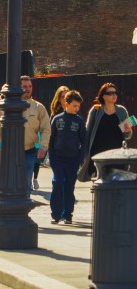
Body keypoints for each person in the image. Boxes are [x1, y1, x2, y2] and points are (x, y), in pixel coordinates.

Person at [0, 75, 51, 196]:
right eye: (24, 86)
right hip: (10, 152)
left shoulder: (38, 107)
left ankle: (24, 207)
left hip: (29, 151)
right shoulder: (7, 106)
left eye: (30, 86)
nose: (28, 89)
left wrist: (43, 147)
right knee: (9, 184)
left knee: (26, 184)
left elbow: (46, 129)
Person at [78, 82, 133, 181]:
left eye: (115, 93)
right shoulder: (96, 110)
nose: (114, 95)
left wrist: (128, 130)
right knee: (100, 184)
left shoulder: (121, 111)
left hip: (117, 155)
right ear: (103, 96)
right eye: (110, 93)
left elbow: (127, 136)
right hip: (99, 155)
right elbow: (88, 132)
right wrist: (85, 154)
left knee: (116, 183)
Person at [47, 91, 87, 224]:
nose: (77, 108)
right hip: (58, 159)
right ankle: (55, 214)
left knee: (69, 186)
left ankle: (67, 214)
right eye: (75, 105)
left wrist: (80, 159)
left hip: (73, 160)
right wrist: (51, 157)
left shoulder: (79, 121)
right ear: (66, 104)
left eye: (78, 106)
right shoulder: (57, 119)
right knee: (58, 183)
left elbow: (84, 141)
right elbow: (51, 139)